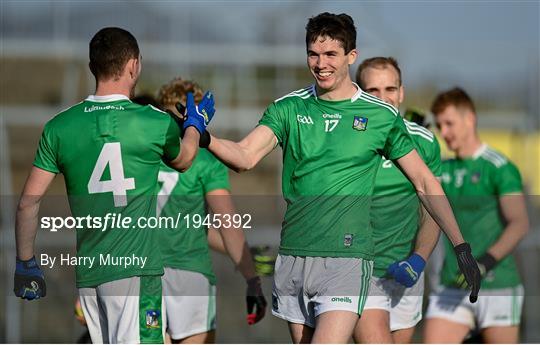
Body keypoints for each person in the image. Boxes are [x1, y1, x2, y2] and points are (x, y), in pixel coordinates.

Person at [204, 12, 480, 343]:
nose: (321, 63)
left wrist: (460, 245)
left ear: (351, 55)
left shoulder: (380, 116)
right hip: (294, 256)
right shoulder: (288, 108)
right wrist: (204, 137)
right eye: (313, 54)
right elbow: (245, 156)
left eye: (331, 54)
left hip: (348, 261)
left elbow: (424, 182)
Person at [13, 27, 215, 344]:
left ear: (93, 66)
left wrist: (25, 263)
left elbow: (27, 203)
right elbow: (186, 159)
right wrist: (195, 124)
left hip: (91, 275)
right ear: (134, 65)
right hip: (136, 272)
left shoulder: (59, 126)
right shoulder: (153, 121)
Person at [154, 79, 266, 343]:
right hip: (189, 274)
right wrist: (252, 278)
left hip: (141, 272)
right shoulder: (204, 160)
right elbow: (227, 222)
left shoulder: (142, 156)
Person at [424, 87, 529, 343]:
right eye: (439, 125)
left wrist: (483, 263)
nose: (444, 132)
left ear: (470, 118)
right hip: (453, 285)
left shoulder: (498, 167)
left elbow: (519, 223)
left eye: (449, 123)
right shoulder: (441, 170)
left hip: (497, 286)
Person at [353, 57, 442, 343]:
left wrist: (419, 258)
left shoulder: (424, 141)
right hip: (358, 273)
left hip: (405, 275)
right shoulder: (346, 139)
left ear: (402, 93)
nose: (383, 98)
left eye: (390, 89)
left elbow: (433, 209)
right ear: (359, 92)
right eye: (373, 91)